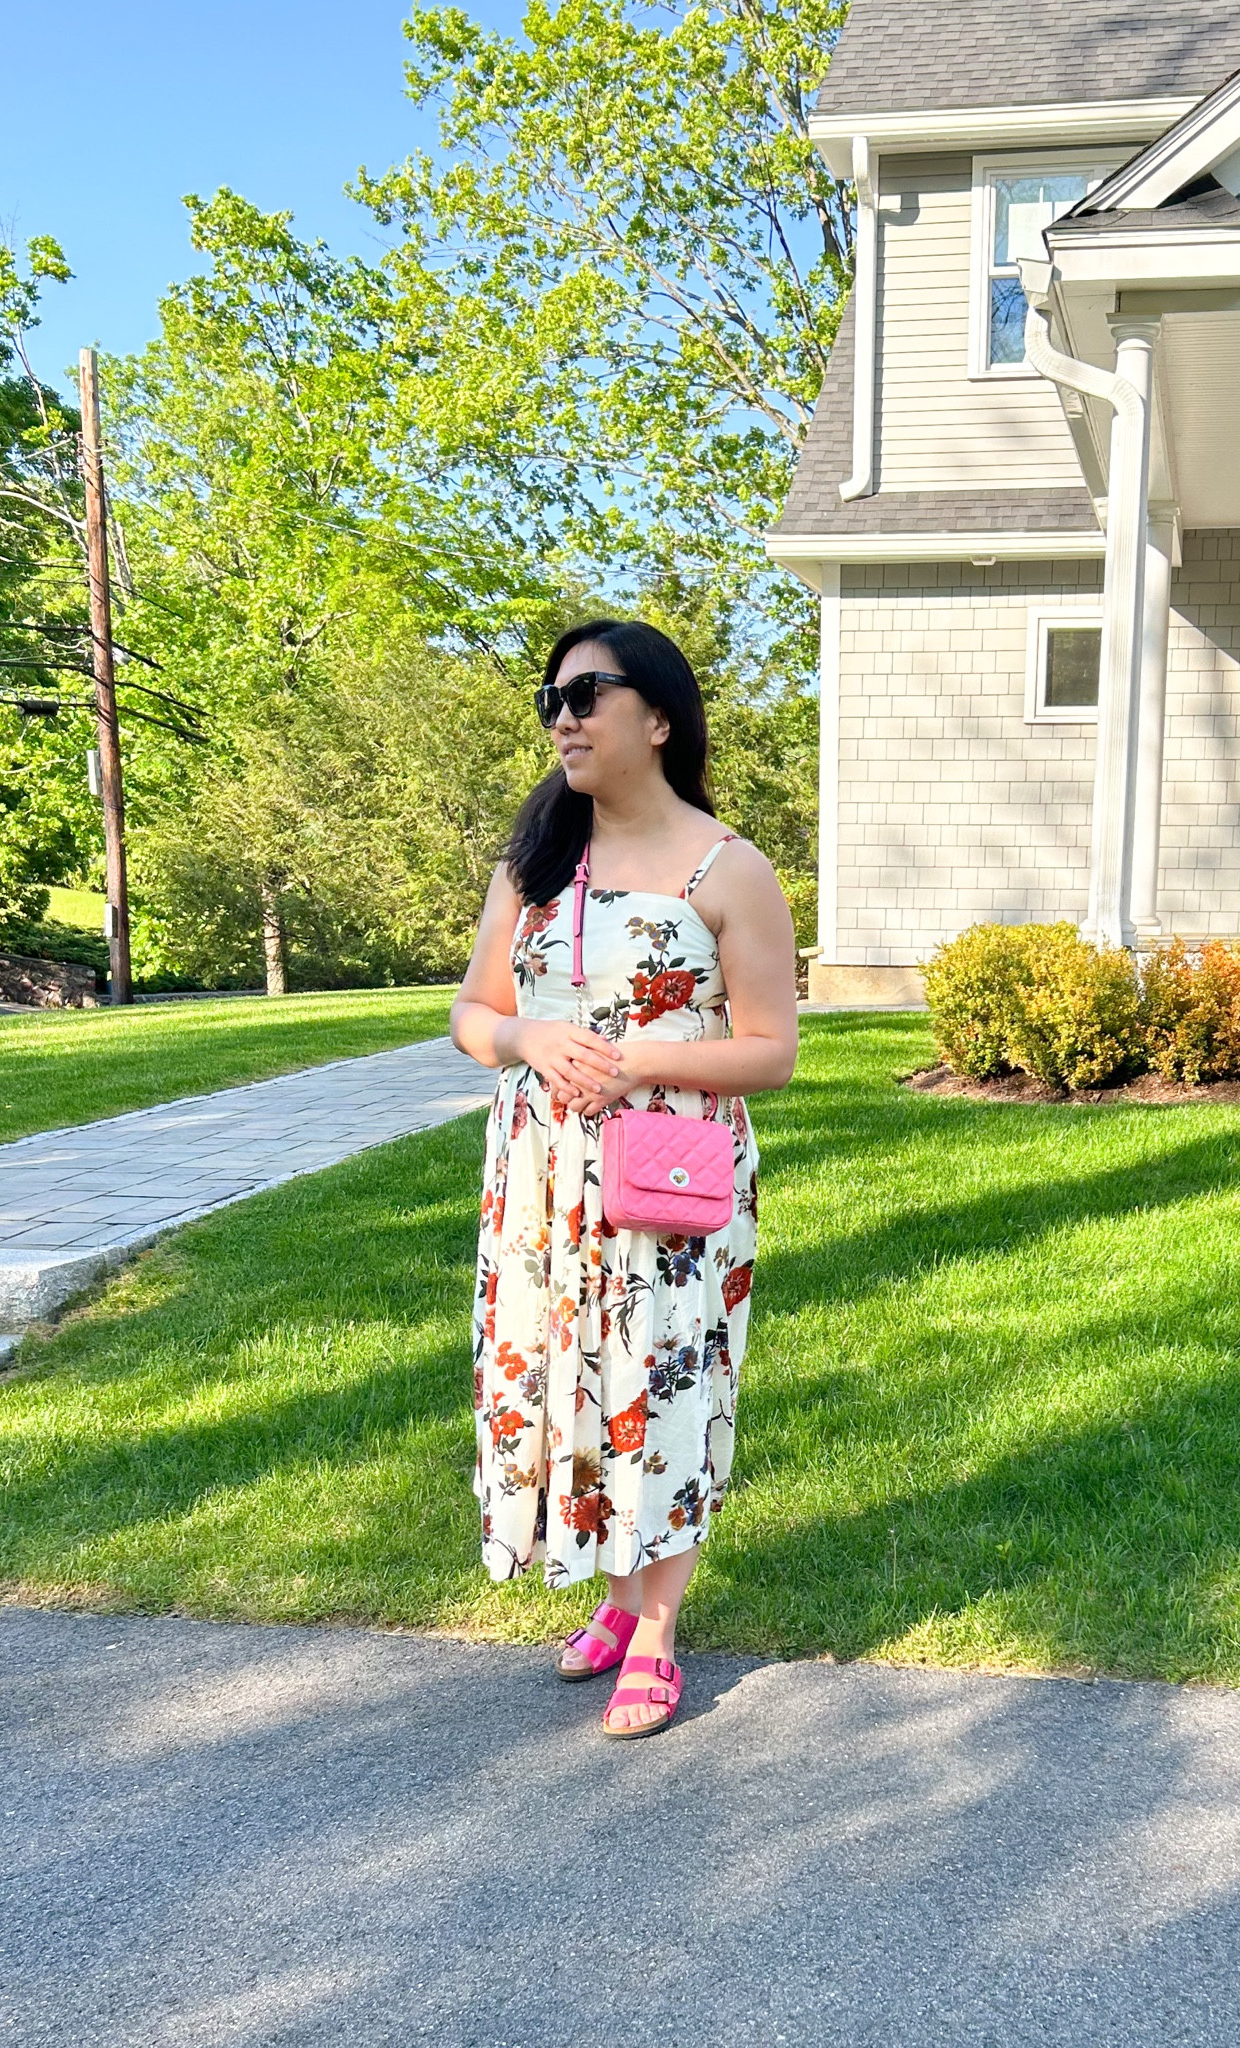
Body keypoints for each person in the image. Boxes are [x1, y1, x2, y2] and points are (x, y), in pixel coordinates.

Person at [450, 619, 798, 1739]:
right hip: (545, 1172)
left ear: (657, 716)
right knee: (570, 1374)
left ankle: (657, 1629)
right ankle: (608, 1594)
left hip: (670, 1174)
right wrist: (527, 1041)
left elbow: (771, 1051)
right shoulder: (537, 858)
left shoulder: (726, 868)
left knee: (662, 1380)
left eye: (588, 693)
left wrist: (638, 1053)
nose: (564, 716)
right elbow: (471, 1012)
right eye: (551, 698)